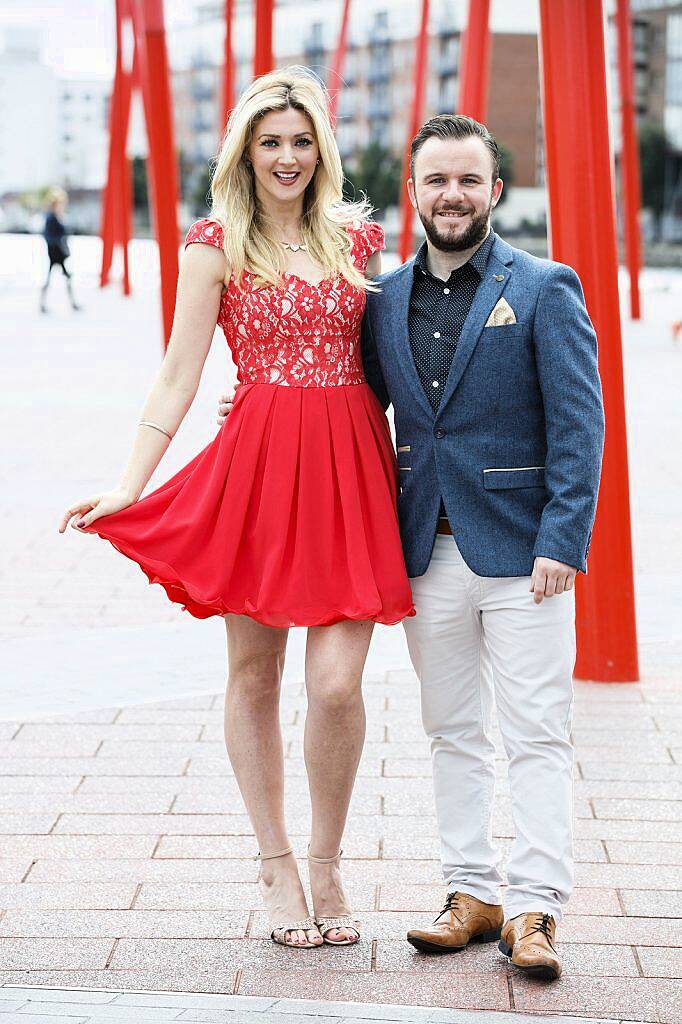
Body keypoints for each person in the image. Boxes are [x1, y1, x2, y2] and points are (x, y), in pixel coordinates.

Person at [219, 113, 605, 981]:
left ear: (494, 191)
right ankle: (471, 892)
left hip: (525, 558)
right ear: (414, 192)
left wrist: (563, 539)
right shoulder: (381, 299)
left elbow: (582, 425)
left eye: (469, 180)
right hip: (423, 553)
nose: (453, 195)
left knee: (537, 732)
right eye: (437, 181)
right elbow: (329, 392)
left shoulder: (545, 287)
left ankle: (538, 904)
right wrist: (246, 416)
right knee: (451, 730)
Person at [58, 67, 414, 951]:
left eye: (300, 141)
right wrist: (131, 483)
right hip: (260, 471)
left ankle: (329, 860)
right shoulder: (215, 245)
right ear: (245, 152)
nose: (286, 157)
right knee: (255, 675)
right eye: (270, 142)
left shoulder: (355, 239)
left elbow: (391, 358)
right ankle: (276, 865)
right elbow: (179, 371)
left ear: (319, 150)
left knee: (336, 686)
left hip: (349, 469)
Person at [40, 187, 81, 313]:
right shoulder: (51, 218)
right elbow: (49, 235)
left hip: (59, 253)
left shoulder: (58, 217)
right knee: (57, 278)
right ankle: (43, 303)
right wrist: (60, 238)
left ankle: (71, 303)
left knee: (63, 278)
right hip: (54, 253)